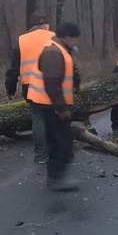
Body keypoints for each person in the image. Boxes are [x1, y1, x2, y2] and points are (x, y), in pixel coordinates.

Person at [26, 22, 82, 191]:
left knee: (59, 140)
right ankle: (56, 179)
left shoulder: (58, 48)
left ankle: (56, 176)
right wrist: (62, 109)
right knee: (61, 141)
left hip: (50, 103)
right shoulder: (53, 52)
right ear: (67, 37)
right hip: (50, 104)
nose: (75, 42)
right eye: (74, 39)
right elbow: (52, 83)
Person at [5, 12, 55, 164]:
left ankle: (40, 156)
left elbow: (13, 68)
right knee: (53, 116)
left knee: (38, 117)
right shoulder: (54, 36)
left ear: (32, 25)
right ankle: (55, 151)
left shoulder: (21, 40)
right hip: (52, 83)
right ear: (45, 24)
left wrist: (10, 88)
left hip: (30, 85)